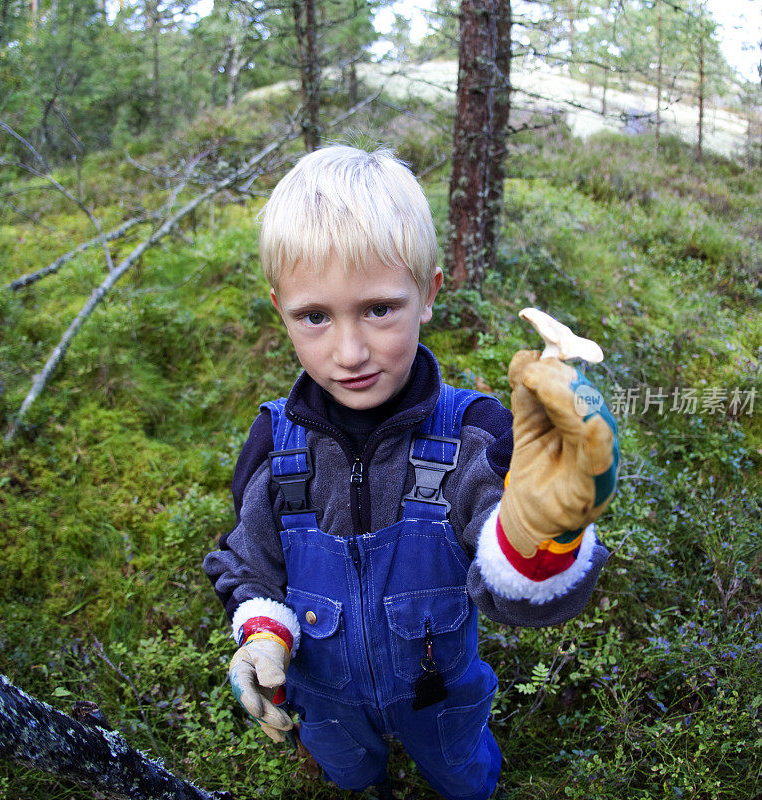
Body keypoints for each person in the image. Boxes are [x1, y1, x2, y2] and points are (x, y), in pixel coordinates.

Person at [203, 145, 619, 800]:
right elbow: (250, 561)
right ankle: (365, 783)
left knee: (462, 773)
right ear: (279, 307)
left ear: (427, 293)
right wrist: (261, 633)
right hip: (326, 699)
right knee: (350, 771)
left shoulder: (475, 435)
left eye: (377, 309)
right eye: (314, 317)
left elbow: (515, 592)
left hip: (440, 696)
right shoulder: (274, 440)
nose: (348, 352)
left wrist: (548, 525)